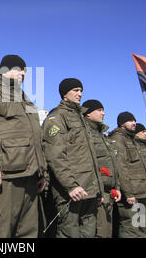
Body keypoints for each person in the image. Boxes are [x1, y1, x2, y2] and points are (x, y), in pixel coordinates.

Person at [0, 55, 47, 238]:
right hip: (5, 175)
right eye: (19, 69)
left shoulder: (26, 99)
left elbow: (36, 138)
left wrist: (42, 172)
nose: (23, 73)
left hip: (30, 177)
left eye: (25, 71)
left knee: (28, 233)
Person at [42, 79, 103, 238]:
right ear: (64, 94)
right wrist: (70, 185)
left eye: (81, 90)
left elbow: (90, 158)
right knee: (69, 233)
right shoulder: (57, 117)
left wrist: (99, 190)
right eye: (75, 90)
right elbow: (55, 155)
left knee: (88, 233)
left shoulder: (82, 119)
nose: (80, 94)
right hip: (70, 191)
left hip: (89, 190)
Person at [108, 113, 146, 238]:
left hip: (141, 193)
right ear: (122, 124)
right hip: (132, 193)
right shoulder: (118, 139)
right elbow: (120, 167)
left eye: (134, 120)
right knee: (132, 229)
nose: (134, 123)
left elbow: (141, 168)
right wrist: (129, 193)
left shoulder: (132, 140)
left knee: (143, 227)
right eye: (130, 121)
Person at [81, 100, 121, 238]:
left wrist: (117, 187)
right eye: (99, 110)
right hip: (96, 192)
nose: (103, 113)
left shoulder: (103, 136)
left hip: (109, 193)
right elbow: (87, 162)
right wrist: (97, 190)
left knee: (106, 232)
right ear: (88, 114)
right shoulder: (85, 133)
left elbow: (113, 164)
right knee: (98, 232)